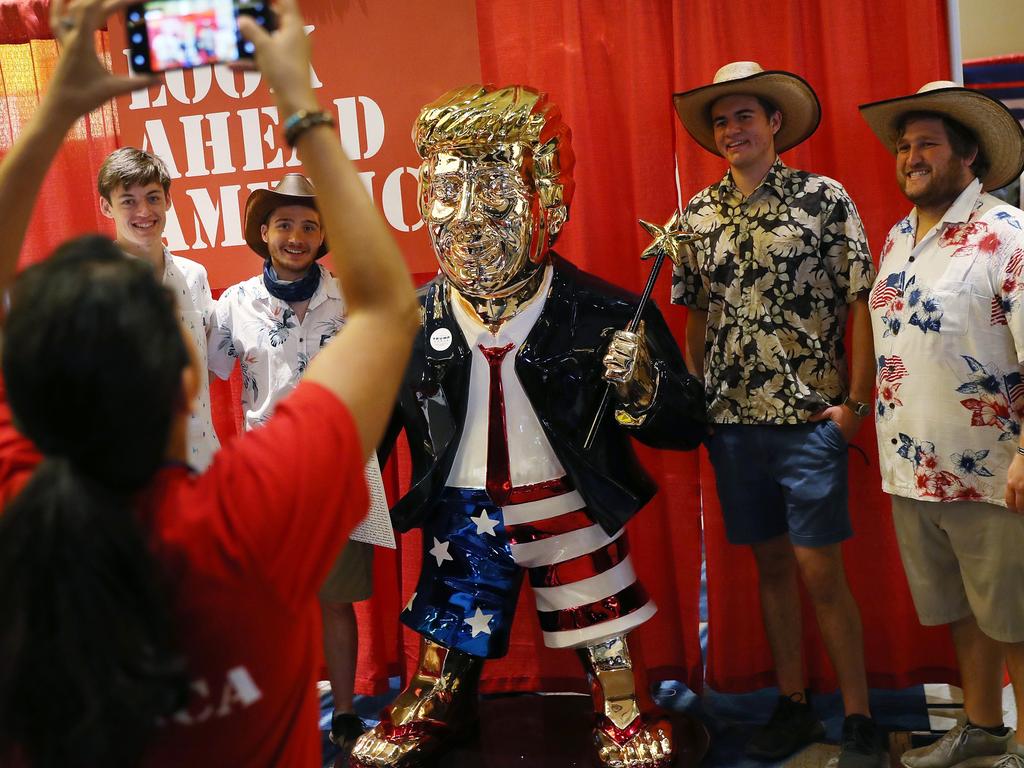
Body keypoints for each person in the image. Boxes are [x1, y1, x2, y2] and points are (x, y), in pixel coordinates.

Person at [0, 1, 418, 767]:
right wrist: (300, 103)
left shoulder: (21, 501)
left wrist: (56, 107)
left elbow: (374, 313)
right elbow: (392, 309)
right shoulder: (256, 511)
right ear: (189, 367)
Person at [349, 84, 706, 768]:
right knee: (450, 611)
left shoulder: (604, 312)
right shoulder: (408, 321)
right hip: (464, 512)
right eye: (446, 192)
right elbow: (374, 424)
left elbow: (688, 425)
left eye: (492, 192)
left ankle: (620, 699)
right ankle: (437, 696)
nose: (466, 220)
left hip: (567, 504)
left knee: (599, 609)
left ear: (549, 199)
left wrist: (643, 388)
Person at [671, 61, 885, 767]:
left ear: (775, 123)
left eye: (745, 116)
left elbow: (860, 301)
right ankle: (792, 705)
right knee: (768, 568)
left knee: (820, 571)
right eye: (722, 120)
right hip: (732, 425)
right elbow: (697, 315)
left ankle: (857, 717)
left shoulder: (825, 199)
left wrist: (855, 405)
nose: (733, 130)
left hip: (809, 421)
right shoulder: (697, 216)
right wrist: (697, 394)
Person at [859, 81, 1024, 768]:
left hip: (991, 468)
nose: (909, 156)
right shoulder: (898, 236)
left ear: (969, 156)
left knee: (1015, 618)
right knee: (961, 611)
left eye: (926, 143)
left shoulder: (1005, 234)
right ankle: (983, 725)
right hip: (911, 466)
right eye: (903, 146)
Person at [207, 173, 372, 749]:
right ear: (263, 232)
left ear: (322, 234)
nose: (296, 236)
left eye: (308, 225)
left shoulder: (348, 301)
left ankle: (346, 709)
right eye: (284, 225)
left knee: (334, 598)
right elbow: (205, 372)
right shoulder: (233, 305)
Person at [97, 146, 219, 471]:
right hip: (132, 471)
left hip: (202, 460)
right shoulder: (92, 286)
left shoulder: (195, 276)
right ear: (107, 207)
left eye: (153, 197)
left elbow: (205, 366)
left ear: (168, 200)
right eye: (128, 201)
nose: (144, 211)